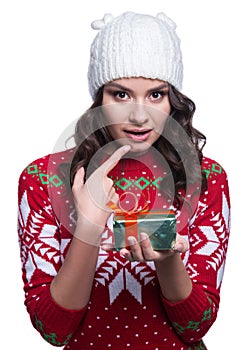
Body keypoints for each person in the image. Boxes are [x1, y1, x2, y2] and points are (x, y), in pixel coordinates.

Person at [17, 11, 230, 350]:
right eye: (121, 94)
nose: (139, 115)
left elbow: (195, 327)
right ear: (99, 98)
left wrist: (169, 259)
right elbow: (54, 330)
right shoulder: (43, 179)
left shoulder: (206, 178)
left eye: (156, 95)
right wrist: (88, 227)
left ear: (173, 98)